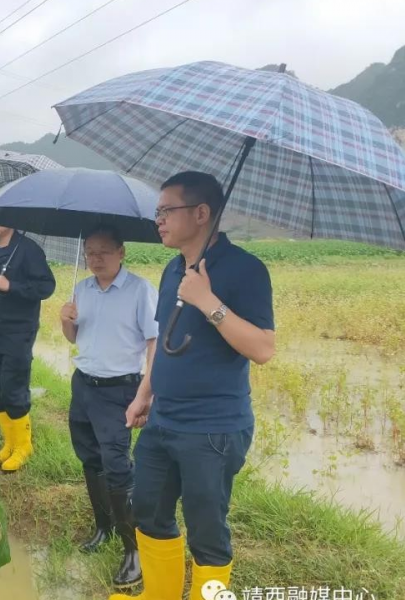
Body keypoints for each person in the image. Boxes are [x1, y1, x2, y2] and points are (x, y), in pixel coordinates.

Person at [112, 172, 275, 600]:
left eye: (167, 211)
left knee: (207, 530)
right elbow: (165, 343)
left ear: (201, 213)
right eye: (158, 212)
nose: (159, 220)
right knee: (148, 511)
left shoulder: (245, 270)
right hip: (163, 420)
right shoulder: (173, 270)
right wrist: (143, 395)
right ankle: (159, 594)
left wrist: (208, 302)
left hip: (213, 429)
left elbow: (262, 348)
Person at [60, 226, 156, 587]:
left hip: (120, 389)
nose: (95, 258)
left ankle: (133, 550)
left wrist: (145, 392)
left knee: (117, 465)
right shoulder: (81, 289)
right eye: (89, 252)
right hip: (83, 384)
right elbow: (75, 337)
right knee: (90, 458)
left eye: (102, 251)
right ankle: (104, 528)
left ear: (121, 252)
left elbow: (154, 342)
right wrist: (65, 320)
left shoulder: (139, 290)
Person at [0, 225, 55, 473]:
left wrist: (11, 286)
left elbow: (46, 287)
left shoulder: (28, 250)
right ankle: (9, 444)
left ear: (11, 221)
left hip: (19, 332)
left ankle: (24, 446)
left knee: (13, 387)